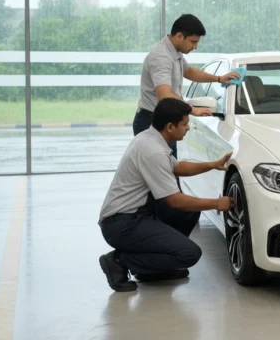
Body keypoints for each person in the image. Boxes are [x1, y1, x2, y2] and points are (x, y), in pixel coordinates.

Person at [98, 98, 234, 292]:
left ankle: (154, 268)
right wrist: (215, 203)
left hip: (135, 215)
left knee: (189, 213)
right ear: (170, 126)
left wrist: (212, 164)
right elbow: (174, 200)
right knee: (189, 254)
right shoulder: (153, 151)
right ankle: (118, 261)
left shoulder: (150, 138)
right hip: (122, 224)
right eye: (185, 124)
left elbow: (177, 167)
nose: (188, 128)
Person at [134, 14, 241, 157]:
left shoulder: (174, 52)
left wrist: (219, 78)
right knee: (159, 176)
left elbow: (189, 72)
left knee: (169, 173)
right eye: (193, 42)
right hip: (151, 123)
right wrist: (192, 110)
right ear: (179, 36)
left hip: (166, 122)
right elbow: (164, 95)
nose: (195, 47)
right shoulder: (161, 57)